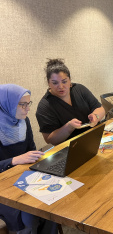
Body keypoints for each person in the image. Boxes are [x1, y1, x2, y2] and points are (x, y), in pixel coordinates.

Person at [0, 84, 57, 234]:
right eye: (22, 104)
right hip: (2, 186)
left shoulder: (23, 121)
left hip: (22, 175)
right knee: (28, 215)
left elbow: (31, 149)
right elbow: (18, 158)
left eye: (28, 103)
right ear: (8, 104)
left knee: (50, 201)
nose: (28, 108)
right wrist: (14, 160)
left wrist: (38, 156)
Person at [36, 59, 105, 146]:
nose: (61, 86)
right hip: (71, 147)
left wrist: (96, 116)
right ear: (49, 83)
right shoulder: (45, 106)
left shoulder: (80, 89)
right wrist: (68, 127)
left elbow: (100, 109)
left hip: (95, 138)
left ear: (70, 80)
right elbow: (50, 139)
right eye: (55, 83)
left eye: (64, 81)